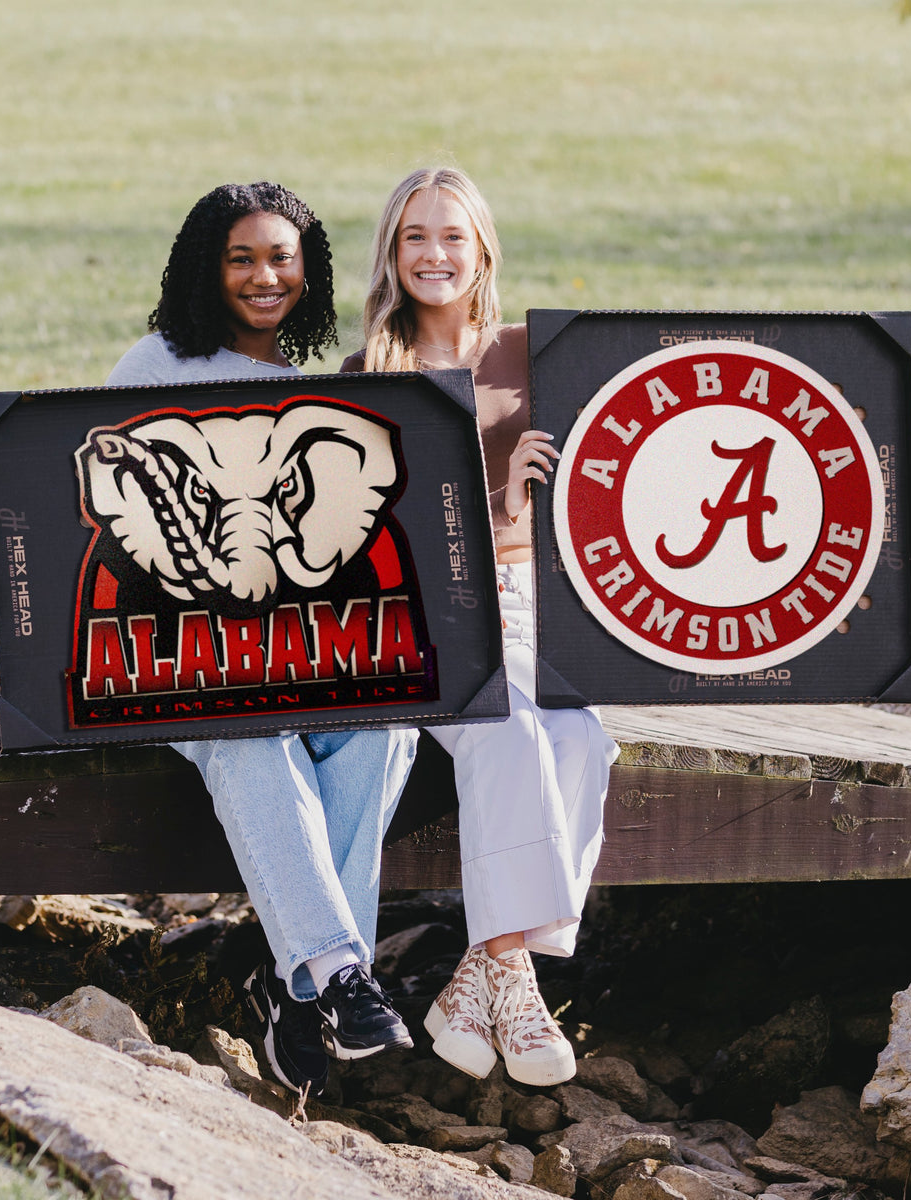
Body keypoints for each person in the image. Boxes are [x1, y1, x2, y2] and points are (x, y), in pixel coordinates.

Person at [0, 182, 417, 1097]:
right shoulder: (156, 364)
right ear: (207, 268)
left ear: (311, 268)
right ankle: (338, 974)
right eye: (242, 258)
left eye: (282, 258)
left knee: (388, 729)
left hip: (298, 659)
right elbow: (78, 504)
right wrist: (18, 584)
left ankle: (304, 991)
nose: (265, 277)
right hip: (178, 667)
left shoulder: (327, 386)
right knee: (244, 732)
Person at [341, 167, 620, 1088]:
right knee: (505, 734)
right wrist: (494, 495)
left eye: (452, 236)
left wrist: (540, 495)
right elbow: (363, 536)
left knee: (586, 736)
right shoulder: (364, 378)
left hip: (531, 603)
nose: (434, 254)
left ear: (483, 250)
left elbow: (606, 487)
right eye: (415, 237)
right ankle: (516, 979)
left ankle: (483, 971)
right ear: (392, 253)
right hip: (424, 617)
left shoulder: (533, 356)